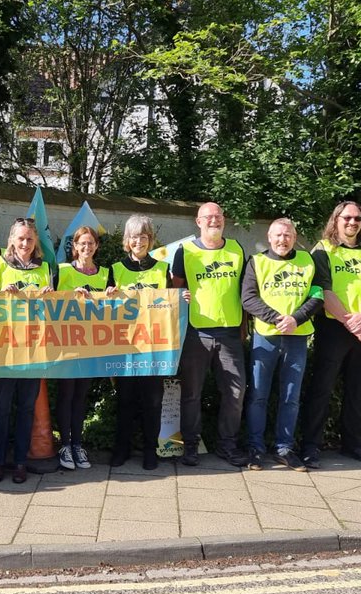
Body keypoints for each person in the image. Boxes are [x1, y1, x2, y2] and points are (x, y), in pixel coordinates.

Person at [299, 201, 361, 468]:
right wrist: (352, 322)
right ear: (335, 220)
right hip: (334, 328)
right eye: (347, 218)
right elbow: (323, 291)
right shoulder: (323, 250)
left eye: (358, 218)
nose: (353, 223)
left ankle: (353, 444)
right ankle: (310, 446)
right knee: (321, 389)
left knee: (356, 390)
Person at [242, 218, 323, 471]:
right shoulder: (257, 262)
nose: (282, 240)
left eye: (287, 235)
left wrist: (296, 319)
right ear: (269, 236)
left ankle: (284, 448)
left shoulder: (308, 261)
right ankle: (255, 448)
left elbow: (318, 294)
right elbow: (248, 298)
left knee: (291, 397)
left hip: (297, 338)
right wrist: (278, 319)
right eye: (278, 235)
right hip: (265, 338)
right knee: (258, 396)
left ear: (295, 236)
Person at [170, 202, 248, 467]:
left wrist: (244, 329)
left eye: (218, 216)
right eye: (208, 217)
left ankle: (227, 445)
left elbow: (244, 291)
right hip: (196, 332)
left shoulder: (237, 249)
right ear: (198, 221)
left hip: (229, 333)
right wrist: (182, 297)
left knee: (236, 393)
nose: (214, 220)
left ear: (224, 220)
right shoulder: (185, 251)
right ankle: (190, 446)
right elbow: (174, 290)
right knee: (191, 394)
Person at [0, 218, 54, 483]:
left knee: (26, 409)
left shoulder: (45, 269)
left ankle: (20, 461)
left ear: (36, 242)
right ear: (11, 240)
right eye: (20, 238)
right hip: (4, 351)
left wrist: (51, 296)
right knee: (0, 409)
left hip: (34, 350)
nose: (25, 243)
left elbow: (58, 309)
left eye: (30, 239)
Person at [105, 215, 169, 470]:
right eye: (134, 236)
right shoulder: (116, 269)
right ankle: (122, 448)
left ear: (150, 240)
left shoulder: (163, 269)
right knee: (125, 400)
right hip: (125, 347)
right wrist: (107, 297)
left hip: (155, 347)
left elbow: (171, 305)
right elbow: (103, 311)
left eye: (143, 236)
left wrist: (181, 297)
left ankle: (150, 451)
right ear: (127, 241)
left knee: (153, 401)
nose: (138, 241)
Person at [54, 225, 108, 471]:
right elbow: (47, 301)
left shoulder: (105, 274)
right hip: (65, 345)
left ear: (96, 246)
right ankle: (65, 444)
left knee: (80, 397)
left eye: (91, 243)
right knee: (66, 396)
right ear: (74, 246)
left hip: (92, 345)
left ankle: (78, 444)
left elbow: (115, 307)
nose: (87, 247)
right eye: (82, 243)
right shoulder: (63, 271)